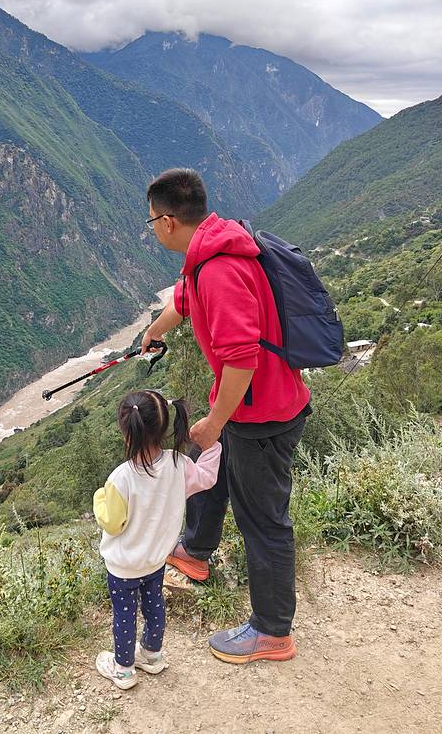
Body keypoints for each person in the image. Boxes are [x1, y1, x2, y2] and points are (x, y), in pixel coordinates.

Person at [142, 168, 311, 665]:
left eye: (151, 220)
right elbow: (183, 299)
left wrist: (216, 420)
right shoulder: (213, 249)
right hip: (251, 405)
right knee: (209, 466)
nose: (152, 229)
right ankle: (195, 552)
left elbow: (241, 359)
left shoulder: (217, 270)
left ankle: (272, 632)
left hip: (264, 415)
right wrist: (154, 331)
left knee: (264, 521)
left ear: (168, 221)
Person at [93, 389, 221, 689]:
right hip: (156, 560)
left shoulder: (121, 478)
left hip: (124, 567)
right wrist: (211, 446)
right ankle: (151, 655)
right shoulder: (178, 464)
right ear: (163, 428)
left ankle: (124, 670)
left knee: (125, 616)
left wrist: (100, 497)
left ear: (127, 434)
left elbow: (112, 523)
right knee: (154, 606)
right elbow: (207, 477)